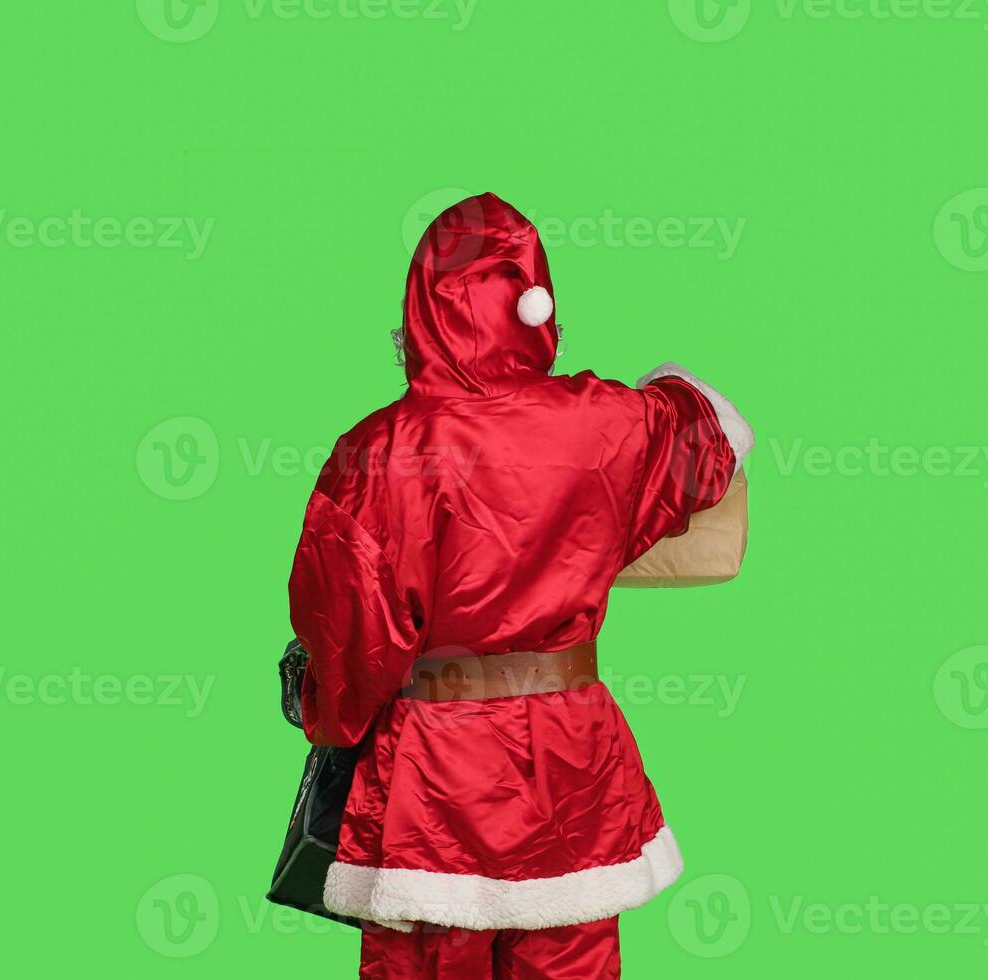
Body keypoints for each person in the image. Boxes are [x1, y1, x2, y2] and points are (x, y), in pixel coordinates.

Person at [288, 193, 753, 979]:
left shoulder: (378, 451)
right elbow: (706, 426)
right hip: (573, 761)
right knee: (571, 958)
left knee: (429, 962)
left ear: (420, 313)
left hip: (435, 780)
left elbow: (352, 641)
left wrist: (321, 708)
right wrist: (663, 387)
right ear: (537, 309)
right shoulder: (611, 421)